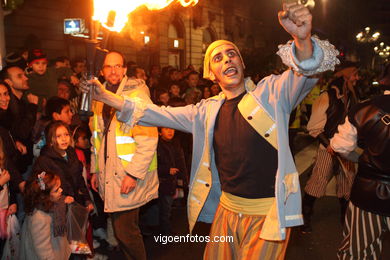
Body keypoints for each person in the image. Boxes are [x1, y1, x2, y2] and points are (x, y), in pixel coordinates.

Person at [82, 3, 339, 259]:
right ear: (211, 73)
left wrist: (301, 38)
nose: (227, 59)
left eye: (232, 54)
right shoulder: (206, 111)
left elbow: (305, 69)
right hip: (226, 211)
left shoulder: (272, 93)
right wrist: (106, 96)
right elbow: (155, 113)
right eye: (218, 58)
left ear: (241, 62)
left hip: (268, 215)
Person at [89, 51, 158, 260]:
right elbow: (96, 138)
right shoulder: (99, 97)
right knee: (123, 232)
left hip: (128, 177)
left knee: (126, 232)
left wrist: (133, 174)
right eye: (109, 67)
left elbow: (149, 140)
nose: (113, 70)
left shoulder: (137, 95)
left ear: (125, 69)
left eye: (118, 66)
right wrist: (96, 169)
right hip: (111, 174)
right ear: (102, 71)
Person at [330, 88, 390, 260]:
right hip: (368, 192)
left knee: (360, 250)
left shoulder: (365, 109)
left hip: (368, 192)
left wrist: (358, 158)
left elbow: (339, 147)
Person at [301, 64, 360, 233]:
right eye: (354, 74)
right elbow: (314, 127)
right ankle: (305, 218)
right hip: (328, 148)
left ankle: (345, 220)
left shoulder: (350, 96)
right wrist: (329, 146)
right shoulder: (326, 97)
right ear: (346, 75)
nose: (357, 78)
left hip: (345, 149)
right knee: (317, 183)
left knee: (346, 185)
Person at [33, 121, 93, 209]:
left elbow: (79, 178)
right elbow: (40, 183)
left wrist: (87, 200)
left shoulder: (71, 153)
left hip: (75, 204)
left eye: (66, 135)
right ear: (50, 140)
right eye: (58, 136)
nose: (64, 139)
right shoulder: (44, 160)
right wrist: (60, 198)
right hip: (57, 207)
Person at [20, 171, 71, 260]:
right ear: (45, 196)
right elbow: (43, 250)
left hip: (57, 248)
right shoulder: (39, 218)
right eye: (56, 190)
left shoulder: (53, 204)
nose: (61, 190)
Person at [157, 127, 187, 235]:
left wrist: (184, 180)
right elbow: (152, 166)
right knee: (165, 209)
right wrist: (167, 170)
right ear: (160, 132)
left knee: (169, 208)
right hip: (164, 182)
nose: (170, 131)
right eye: (166, 129)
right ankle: (165, 234)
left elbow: (181, 163)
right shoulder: (156, 145)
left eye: (172, 129)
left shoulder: (175, 144)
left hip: (174, 181)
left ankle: (167, 230)